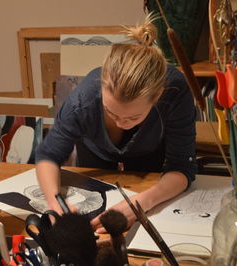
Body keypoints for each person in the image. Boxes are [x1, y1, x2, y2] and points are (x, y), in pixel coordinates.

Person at [35, 13, 197, 233]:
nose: (121, 123)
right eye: (111, 112)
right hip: (95, 159)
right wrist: (55, 203)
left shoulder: (175, 92)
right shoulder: (83, 100)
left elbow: (182, 168)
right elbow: (48, 156)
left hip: (150, 159)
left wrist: (139, 205)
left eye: (133, 117)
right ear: (101, 88)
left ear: (158, 96)